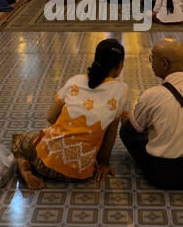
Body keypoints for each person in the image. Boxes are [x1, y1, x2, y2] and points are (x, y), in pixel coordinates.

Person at [12, 39, 128, 189]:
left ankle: (25, 168)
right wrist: (104, 164)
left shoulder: (76, 81)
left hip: (45, 165)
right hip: (81, 170)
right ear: (119, 67)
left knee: (21, 140)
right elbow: (111, 133)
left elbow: (50, 117)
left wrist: (68, 131)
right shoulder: (121, 90)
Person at [120, 38, 183, 190]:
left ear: (164, 63)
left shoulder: (151, 95)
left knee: (127, 129)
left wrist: (124, 118)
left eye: (152, 57)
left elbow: (135, 128)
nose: (151, 62)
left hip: (161, 174)